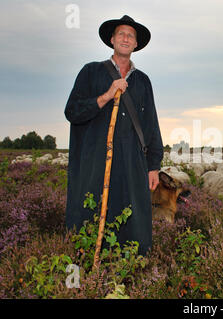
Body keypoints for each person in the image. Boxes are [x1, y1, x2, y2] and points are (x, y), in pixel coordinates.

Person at [64, 15, 163, 256]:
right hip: (95, 161)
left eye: (131, 35)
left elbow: (151, 125)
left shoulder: (143, 82)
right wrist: (107, 95)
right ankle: (89, 266)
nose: (126, 38)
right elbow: (72, 111)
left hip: (131, 163)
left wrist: (154, 166)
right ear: (112, 39)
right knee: (92, 211)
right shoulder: (90, 72)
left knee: (133, 216)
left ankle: (130, 268)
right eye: (121, 34)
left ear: (136, 45)